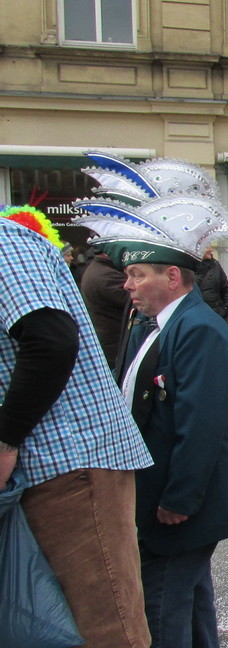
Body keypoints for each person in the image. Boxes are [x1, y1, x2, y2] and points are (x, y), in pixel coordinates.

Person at [73, 164, 228, 648]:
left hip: (180, 507)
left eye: (137, 274)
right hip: (159, 498)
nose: (127, 285)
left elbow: (200, 428)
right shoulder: (154, 324)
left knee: (161, 611)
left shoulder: (198, 330)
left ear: (172, 276)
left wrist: (178, 499)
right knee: (190, 604)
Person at [0, 207, 153, 647]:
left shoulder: (6, 241)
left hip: (67, 462)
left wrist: (5, 438)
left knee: (104, 628)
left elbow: (50, 339)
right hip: (42, 468)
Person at [80, 245, 132, 369]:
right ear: (106, 253)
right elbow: (134, 301)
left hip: (111, 344)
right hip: (115, 346)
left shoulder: (100, 270)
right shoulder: (106, 276)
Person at [195, 247, 228, 324]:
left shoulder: (215, 264)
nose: (211, 250)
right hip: (199, 317)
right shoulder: (188, 266)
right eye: (206, 247)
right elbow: (191, 286)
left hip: (219, 315)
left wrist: (227, 308)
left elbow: (225, 289)